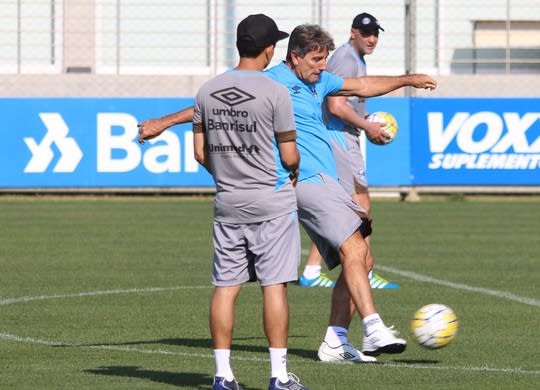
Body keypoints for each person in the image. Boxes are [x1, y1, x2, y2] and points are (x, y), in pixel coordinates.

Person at [138, 24, 437, 364]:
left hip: (327, 179)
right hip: (304, 178)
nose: (323, 66)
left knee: (362, 257)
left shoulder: (319, 81)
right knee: (354, 246)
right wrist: (163, 122)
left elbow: (363, 84)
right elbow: (209, 108)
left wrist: (407, 80)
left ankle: (336, 340)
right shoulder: (273, 80)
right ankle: (373, 326)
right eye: (316, 59)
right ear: (294, 57)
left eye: (325, 58)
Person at [192, 14, 309, 390]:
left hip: (228, 201)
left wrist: (228, 177)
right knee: (274, 286)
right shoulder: (276, 92)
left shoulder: (207, 90)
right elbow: (289, 155)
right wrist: (292, 170)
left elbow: (199, 153)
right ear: (269, 48)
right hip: (271, 201)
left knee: (226, 287)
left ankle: (223, 376)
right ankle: (278, 376)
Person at [298, 12, 400, 290]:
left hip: (343, 136)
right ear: (353, 32)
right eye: (366, 33)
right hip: (338, 136)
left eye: (375, 33)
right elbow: (335, 105)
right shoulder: (344, 57)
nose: (372, 39)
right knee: (358, 205)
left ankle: (313, 270)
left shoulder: (354, 59)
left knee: (341, 206)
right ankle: (363, 270)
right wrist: (368, 126)